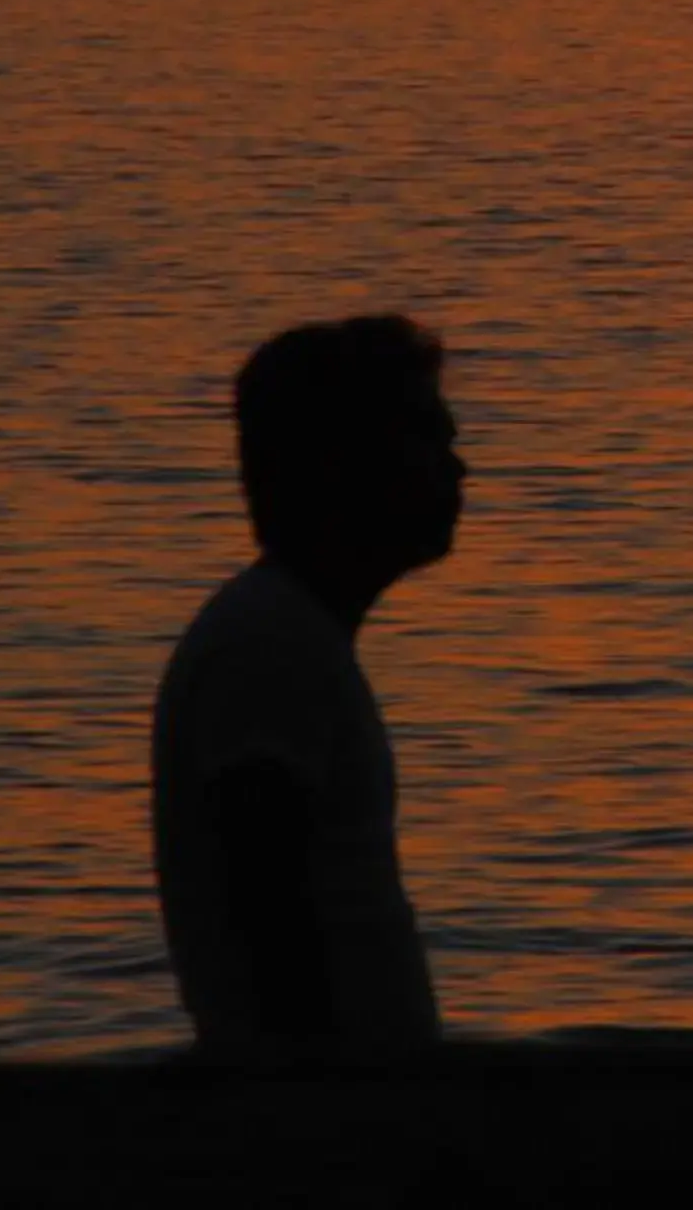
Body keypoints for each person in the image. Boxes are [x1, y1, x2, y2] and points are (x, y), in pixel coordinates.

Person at [151, 315, 464, 1060]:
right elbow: (267, 906)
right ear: (343, 462)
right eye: (428, 438)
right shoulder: (272, 649)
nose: (459, 469)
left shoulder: (289, 637)